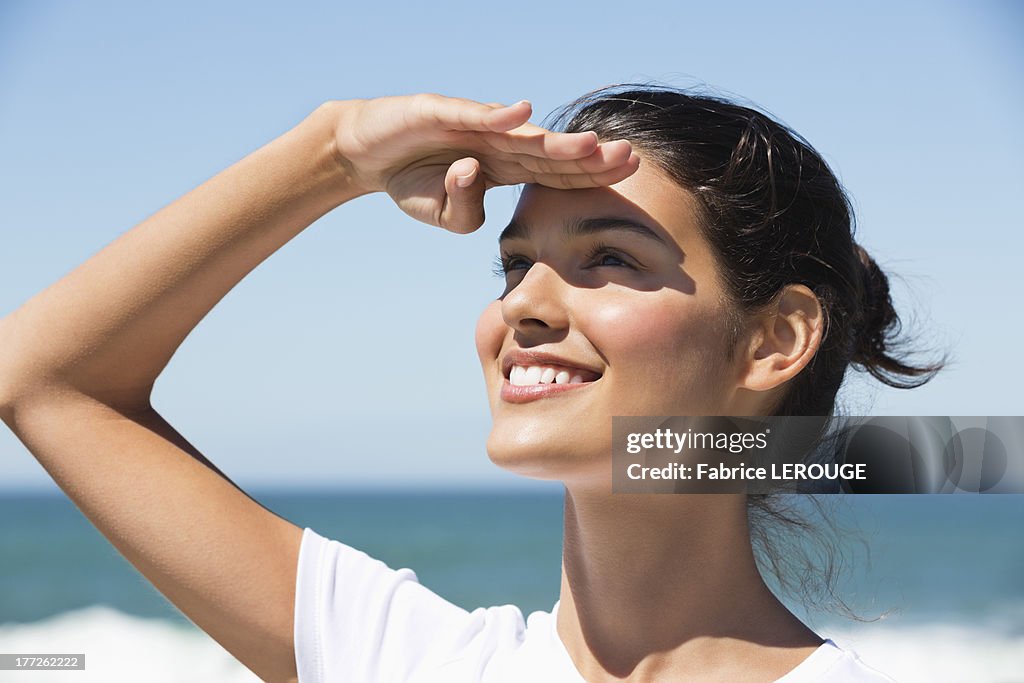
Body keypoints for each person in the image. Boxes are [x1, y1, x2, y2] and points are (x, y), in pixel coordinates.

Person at [0, 85, 939, 682]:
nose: (523, 305)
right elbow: (40, 378)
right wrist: (330, 153)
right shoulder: (407, 660)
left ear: (774, 340)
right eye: (514, 263)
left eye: (608, 257)